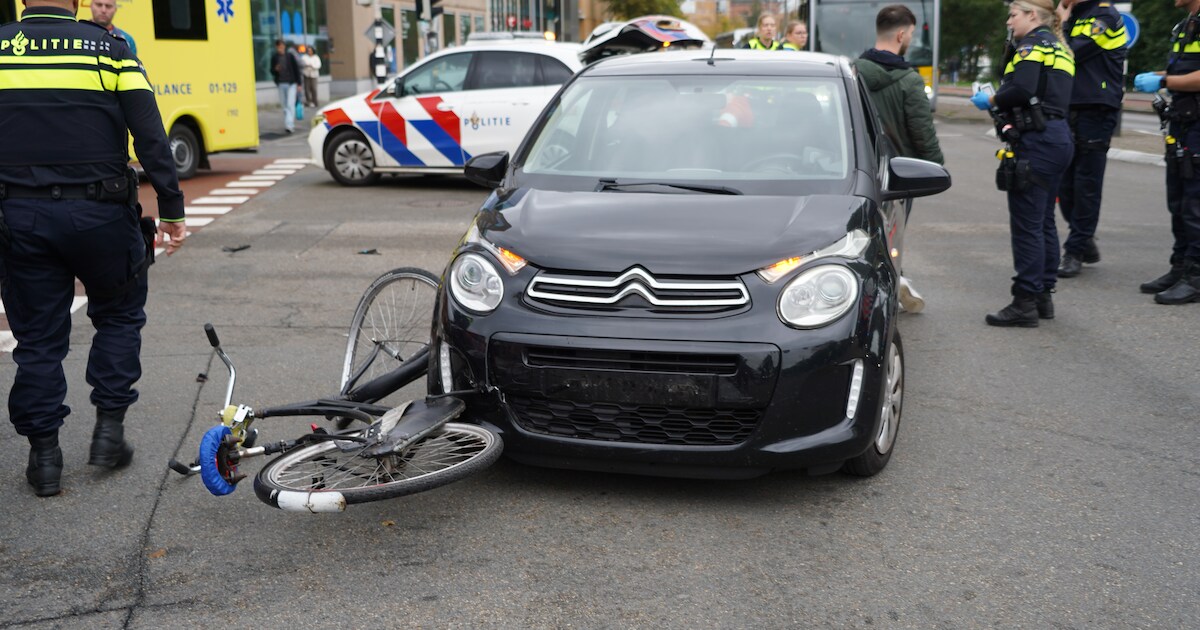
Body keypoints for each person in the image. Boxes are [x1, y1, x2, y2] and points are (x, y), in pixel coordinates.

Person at [0, 0, 186, 497]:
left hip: (19, 217)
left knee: (37, 340)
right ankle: (108, 430)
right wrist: (171, 208)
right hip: (102, 214)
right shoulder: (112, 49)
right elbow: (149, 133)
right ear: (79, 1)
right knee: (120, 315)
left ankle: (44, 459)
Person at [971, 0, 1075, 327]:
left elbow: (1022, 88)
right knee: (1043, 219)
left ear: (1032, 15)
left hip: (1037, 140)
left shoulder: (1031, 45)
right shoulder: (1060, 47)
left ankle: (1024, 302)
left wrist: (989, 99)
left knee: (1027, 224)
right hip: (1058, 137)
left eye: (1013, 14)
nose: (1009, 20)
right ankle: (1043, 295)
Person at [853, 4, 944, 313]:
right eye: (912, 35)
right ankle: (893, 281)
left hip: (856, 171)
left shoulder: (852, 73)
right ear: (902, 34)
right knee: (892, 233)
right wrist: (934, 167)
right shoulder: (910, 80)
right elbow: (922, 131)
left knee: (859, 234)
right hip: (898, 174)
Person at [1131, 0, 1200, 305]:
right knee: (1178, 199)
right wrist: (1160, 74)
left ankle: (1196, 277)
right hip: (1183, 122)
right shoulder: (1186, 24)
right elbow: (1181, 68)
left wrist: (1162, 81)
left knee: (1195, 203)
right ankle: (1180, 267)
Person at [1053, 0, 1128, 278]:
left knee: (1086, 184)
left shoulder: (1104, 15)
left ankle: (1074, 250)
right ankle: (1084, 240)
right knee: (1066, 184)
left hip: (1097, 108)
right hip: (1070, 107)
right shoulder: (1073, 14)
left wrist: (1061, 22)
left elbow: (1071, 52)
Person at [271, 39, 302, 133]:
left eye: (282, 46)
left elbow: (297, 69)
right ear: (276, 47)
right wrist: (275, 69)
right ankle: (289, 123)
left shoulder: (290, 56)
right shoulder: (274, 57)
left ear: (284, 46)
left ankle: (289, 125)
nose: (281, 48)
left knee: (290, 104)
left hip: (291, 83)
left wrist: (299, 83)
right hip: (281, 83)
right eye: (279, 47)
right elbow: (271, 70)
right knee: (284, 105)